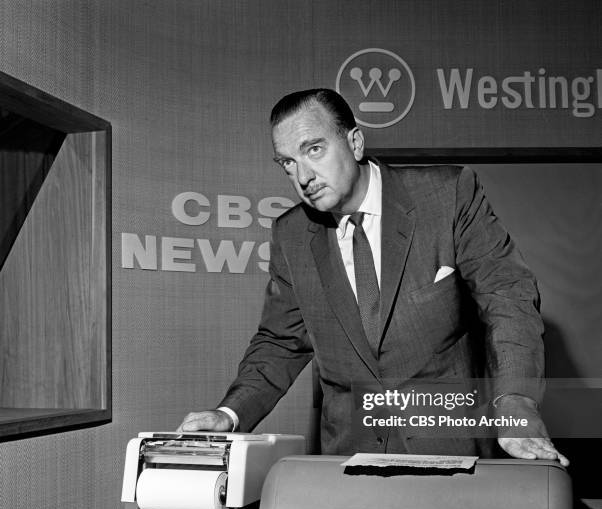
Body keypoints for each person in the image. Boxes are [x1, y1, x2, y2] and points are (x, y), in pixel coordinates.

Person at [178, 88, 568, 466]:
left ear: (355, 143)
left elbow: (507, 297)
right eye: (288, 162)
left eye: (314, 149)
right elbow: (280, 341)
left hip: (453, 448)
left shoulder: (448, 195)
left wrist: (515, 400)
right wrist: (229, 413)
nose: (303, 176)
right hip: (352, 457)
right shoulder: (291, 235)